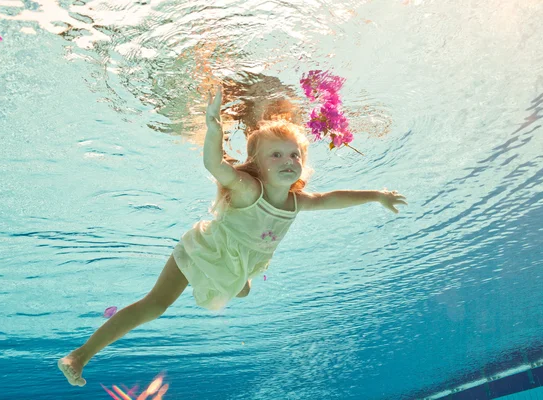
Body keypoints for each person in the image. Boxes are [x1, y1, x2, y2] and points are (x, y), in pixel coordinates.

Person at [57, 86, 407, 387]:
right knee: (156, 305)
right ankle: (80, 355)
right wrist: (213, 128)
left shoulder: (296, 202)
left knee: (242, 287)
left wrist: (376, 195)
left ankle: (234, 281)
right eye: (276, 154)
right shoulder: (247, 189)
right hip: (204, 251)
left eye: (294, 154)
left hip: (242, 263)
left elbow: (333, 199)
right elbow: (215, 166)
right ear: (256, 163)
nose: (288, 160)